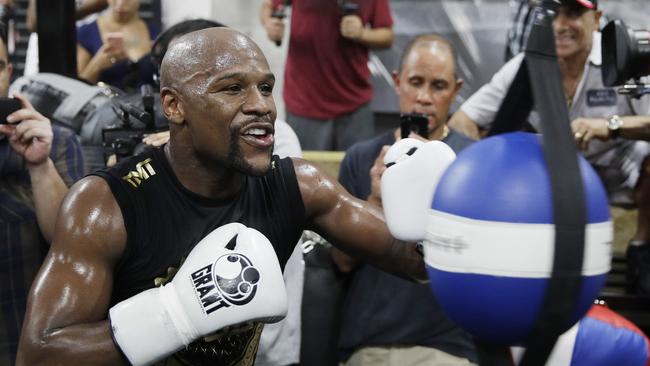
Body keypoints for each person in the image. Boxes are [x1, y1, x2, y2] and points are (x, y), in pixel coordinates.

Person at [16, 27, 426, 366]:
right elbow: (39, 354)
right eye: (232, 89)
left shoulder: (298, 186)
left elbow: (412, 261)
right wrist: (175, 314)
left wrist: (429, 207)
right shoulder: (107, 205)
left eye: (266, 88)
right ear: (175, 106)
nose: (260, 105)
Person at [447, 0, 650, 295]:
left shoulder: (623, 57)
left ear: (596, 19)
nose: (560, 25)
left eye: (573, 13)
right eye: (553, 13)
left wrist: (610, 125)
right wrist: (490, 165)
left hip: (619, 174)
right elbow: (462, 121)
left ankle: (641, 249)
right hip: (553, 181)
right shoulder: (527, 67)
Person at [335, 34, 478, 366]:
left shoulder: (473, 161)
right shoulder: (362, 158)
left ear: (456, 91)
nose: (424, 97)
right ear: (397, 83)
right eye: (416, 82)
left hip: (446, 344)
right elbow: (341, 262)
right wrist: (374, 198)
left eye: (438, 86)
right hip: (367, 341)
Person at [0, 30, 85, 364]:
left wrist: (40, 165)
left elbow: (71, 243)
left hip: (23, 333)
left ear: (8, 72)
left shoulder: (58, 142)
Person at [259, 0, 393, 151]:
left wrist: (362, 33)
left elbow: (387, 35)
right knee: (302, 171)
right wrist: (270, 24)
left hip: (354, 104)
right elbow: (269, 5)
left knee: (357, 171)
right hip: (304, 103)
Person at [76, 0, 159, 92]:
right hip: (104, 104)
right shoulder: (85, 33)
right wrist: (96, 65)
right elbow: (78, 89)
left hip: (147, 103)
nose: (120, 4)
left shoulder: (155, 33)